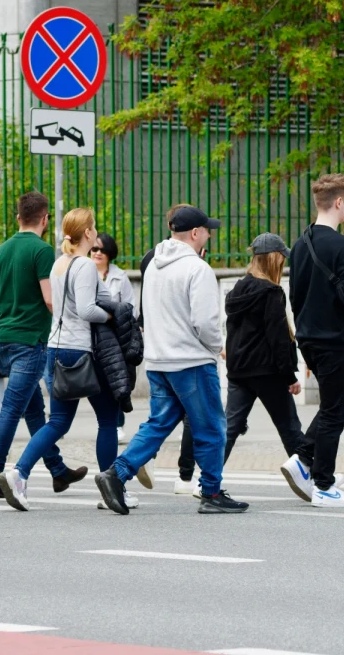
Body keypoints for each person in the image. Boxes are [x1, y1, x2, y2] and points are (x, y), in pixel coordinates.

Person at [96, 205, 248, 515]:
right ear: (195, 233)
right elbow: (205, 322)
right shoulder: (197, 269)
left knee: (159, 422)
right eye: (207, 230)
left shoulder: (153, 265)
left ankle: (116, 473)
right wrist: (216, 346)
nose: (209, 234)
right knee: (211, 427)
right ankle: (212, 492)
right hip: (191, 360)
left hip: (159, 360)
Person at [2, 209, 119, 511]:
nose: (96, 231)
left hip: (56, 348)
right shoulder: (85, 265)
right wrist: (110, 314)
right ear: (88, 233)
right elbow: (86, 309)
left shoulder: (59, 263)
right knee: (107, 419)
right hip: (79, 351)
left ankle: (19, 472)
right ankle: (111, 487)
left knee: (58, 421)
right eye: (93, 227)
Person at [0, 193, 84, 498]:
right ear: (45, 218)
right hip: (31, 339)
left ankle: (58, 470)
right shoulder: (41, 251)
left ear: (18, 218)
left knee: (34, 408)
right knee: (13, 408)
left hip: (5, 337)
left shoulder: (2, 249)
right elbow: (49, 298)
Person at [281, 174, 344, 508]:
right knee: (336, 411)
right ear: (340, 202)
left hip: (308, 339)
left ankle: (303, 458)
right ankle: (324, 484)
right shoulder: (342, 246)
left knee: (330, 406)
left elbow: (296, 295)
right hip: (334, 340)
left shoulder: (301, 244)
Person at [223, 234, 309, 470]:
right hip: (267, 372)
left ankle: (208, 481)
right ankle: (312, 479)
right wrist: (290, 375)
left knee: (229, 428)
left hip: (239, 372)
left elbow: (233, 334)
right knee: (290, 427)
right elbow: (278, 338)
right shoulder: (270, 292)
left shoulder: (237, 291)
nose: (284, 263)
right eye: (282, 258)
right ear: (274, 259)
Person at [138, 204, 194, 494]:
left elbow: (145, 304)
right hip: (182, 346)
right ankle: (186, 477)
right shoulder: (192, 259)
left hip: (155, 346)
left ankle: (146, 455)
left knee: (162, 410)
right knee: (192, 413)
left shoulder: (151, 258)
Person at [93, 232, 134, 443]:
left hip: (115, 337)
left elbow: (129, 308)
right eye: (94, 249)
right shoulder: (85, 273)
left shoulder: (120, 276)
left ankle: (117, 424)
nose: (98, 253)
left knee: (115, 381)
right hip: (92, 337)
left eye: (102, 250)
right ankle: (104, 423)